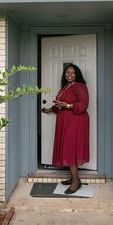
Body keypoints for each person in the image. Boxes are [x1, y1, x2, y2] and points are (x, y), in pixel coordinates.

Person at [42, 64, 89, 194]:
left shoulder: (80, 86)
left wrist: (67, 105)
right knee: (67, 148)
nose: (70, 75)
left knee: (70, 149)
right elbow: (59, 104)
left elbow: (84, 105)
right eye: (67, 72)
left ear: (77, 74)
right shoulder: (65, 87)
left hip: (76, 122)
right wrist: (50, 109)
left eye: (73, 72)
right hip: (65, 121)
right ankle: (74, 177)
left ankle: (75, 182)